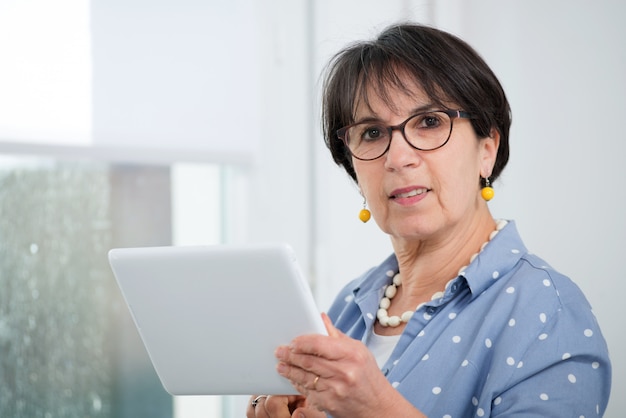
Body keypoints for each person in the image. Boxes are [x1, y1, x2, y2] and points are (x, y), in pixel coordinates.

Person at [246, 23, 611, 418]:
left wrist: (376, 408)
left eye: (430, 122)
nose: (398, 157)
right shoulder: (349, 306)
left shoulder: (547, 311)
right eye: (371, 132)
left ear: (487, 149)